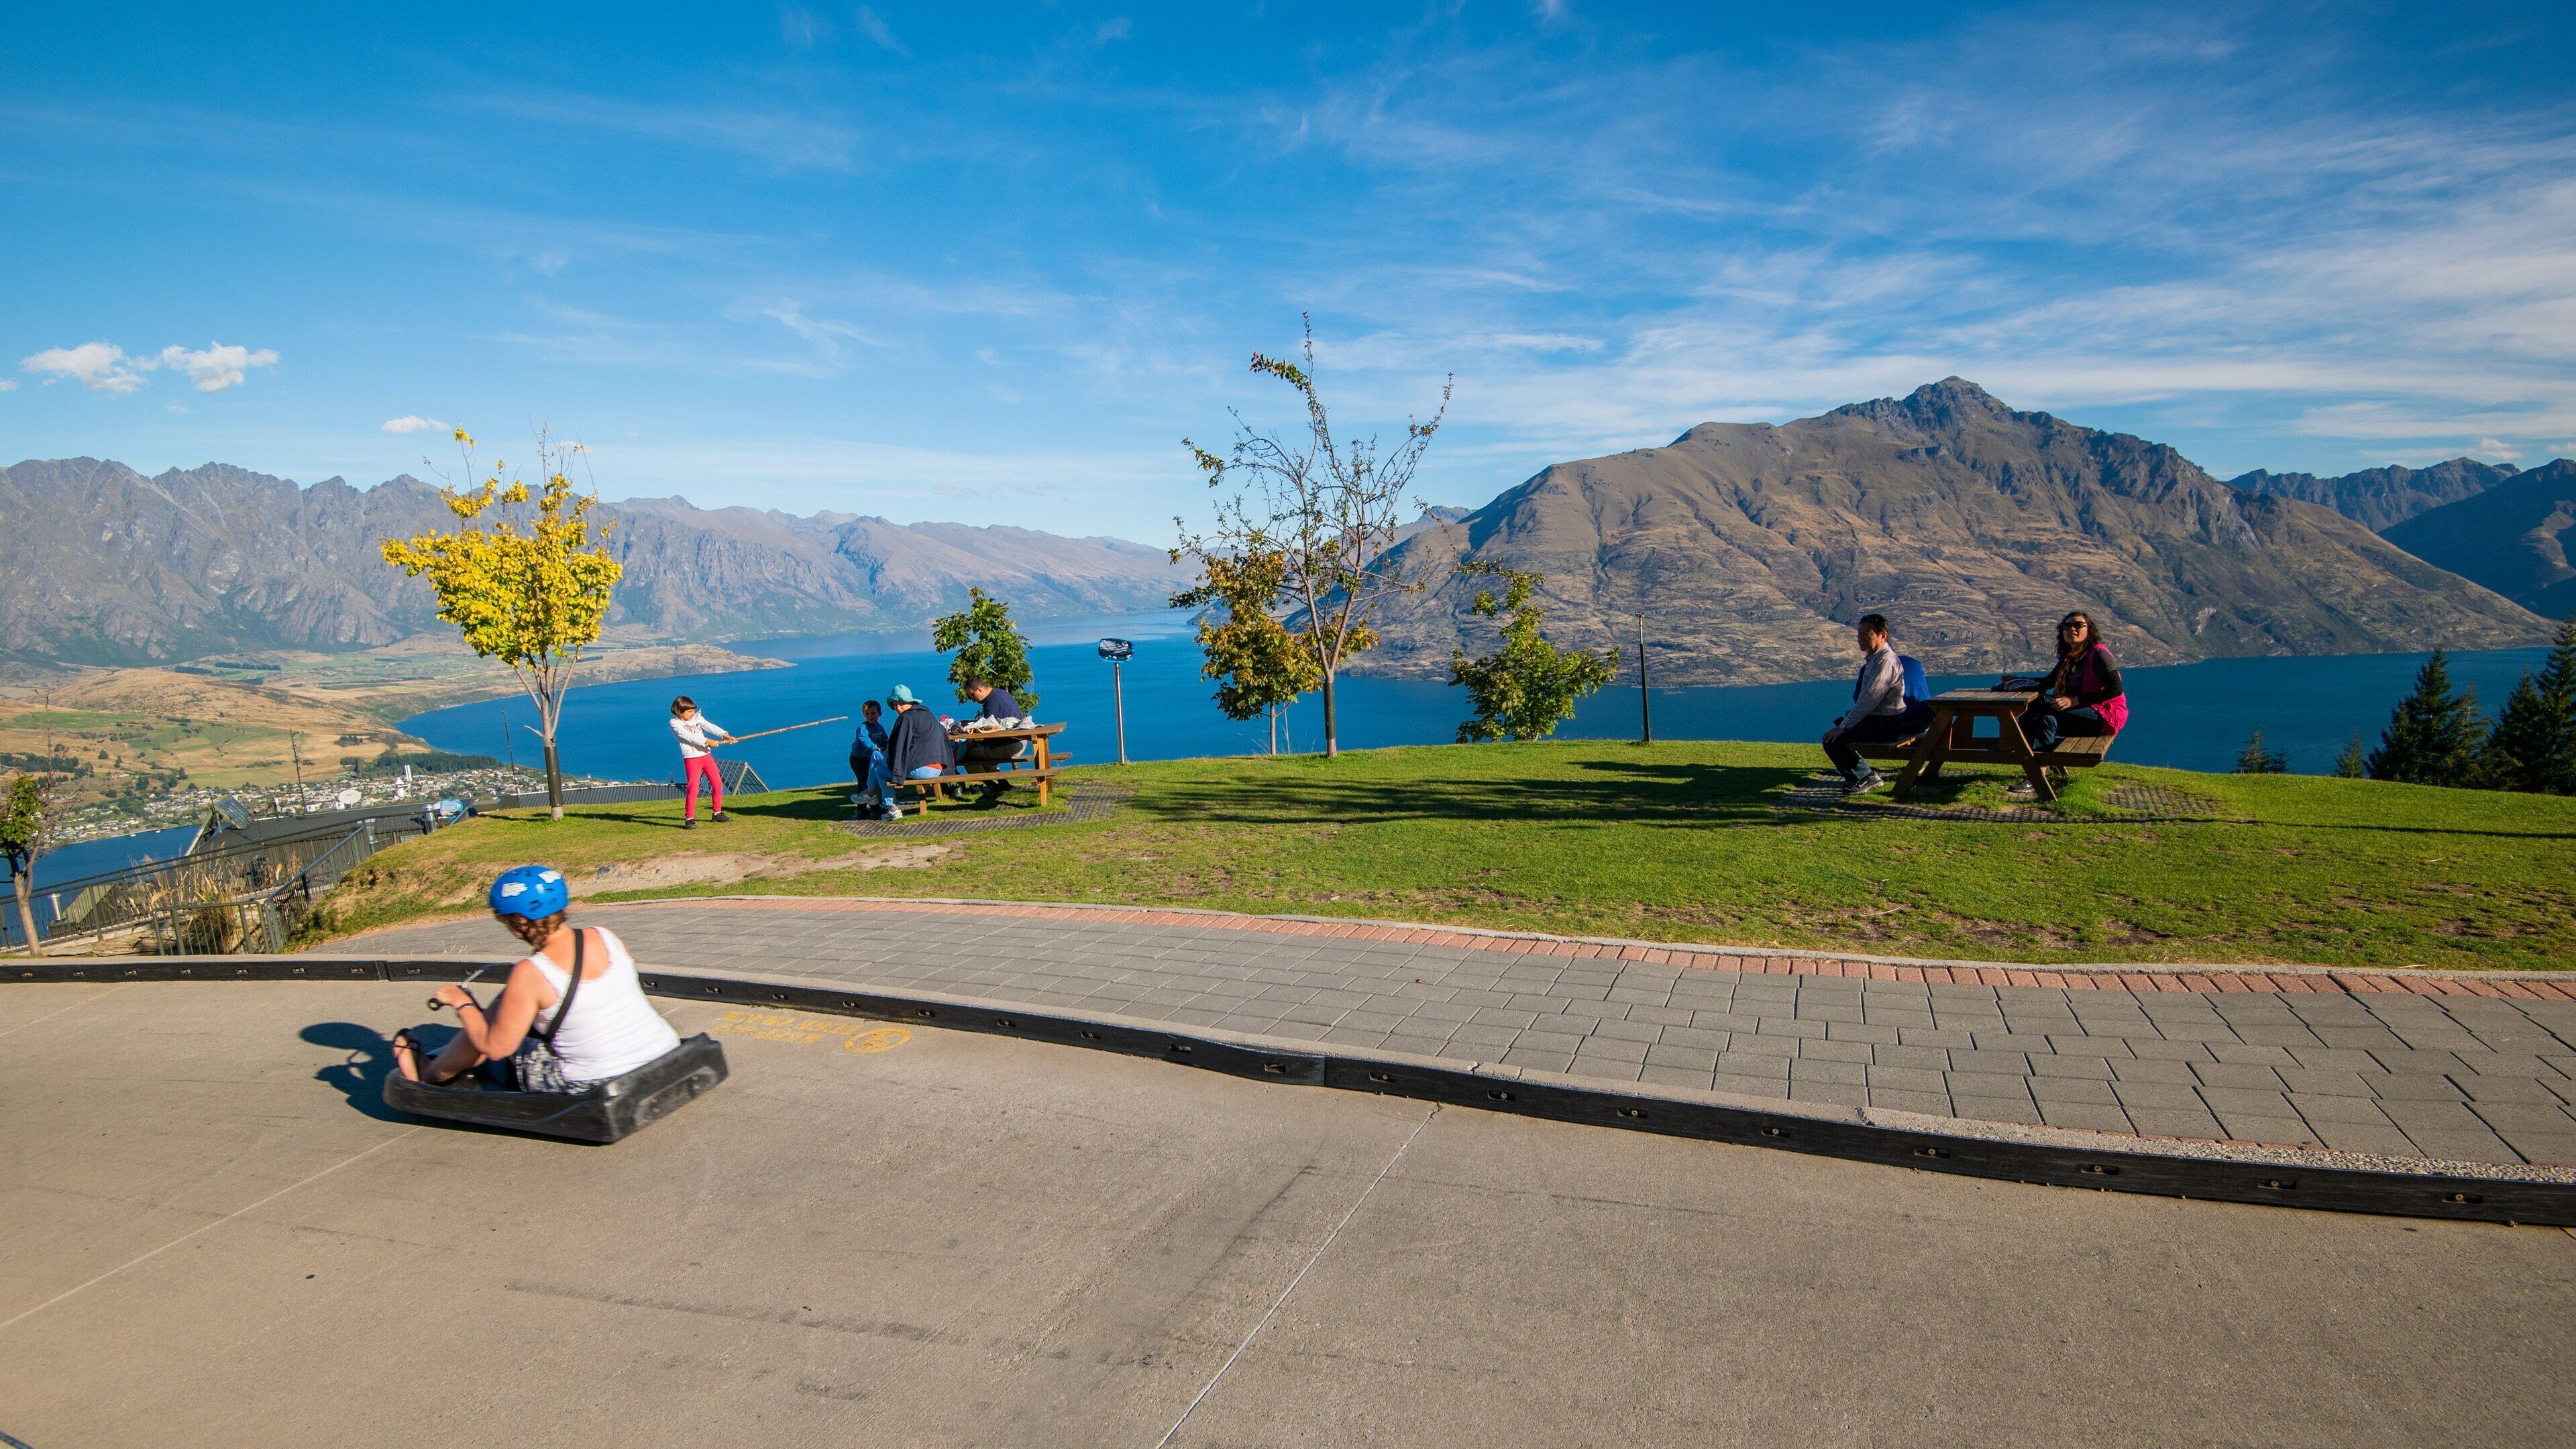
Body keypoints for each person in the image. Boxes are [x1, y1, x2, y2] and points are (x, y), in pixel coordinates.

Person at [388, 865, 682, 1092]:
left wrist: (462, 1003)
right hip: (660, 1049)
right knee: (513, 1005)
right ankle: (445, 1065)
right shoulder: (604, 936)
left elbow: (496, 1046)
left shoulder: (531, 973)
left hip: (595, 1080)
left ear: (519, 921)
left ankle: (427, 1076)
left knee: (495, 1036)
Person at [2009, 610, 2129, 796]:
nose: (2072, 629)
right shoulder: (2070, 656)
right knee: (2045, 720)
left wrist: (2074, 701)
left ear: (2089, 630)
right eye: (2067, 626)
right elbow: (2048, 682)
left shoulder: (2098, 654)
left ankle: (2020, 747)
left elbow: (2115, 689)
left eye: (2078, 625)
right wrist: (2015, 682)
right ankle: (2037, 777)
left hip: (2102, 715)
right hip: (2077, 713)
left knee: (2037, 703)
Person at [1821, 614, 1927, 794]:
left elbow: (1869, 699)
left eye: (1866, 634)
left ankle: (1866, 777)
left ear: (1882, 636)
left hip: (1887, 723)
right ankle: (1859, 775)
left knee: (1834, 740)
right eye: (1859, 634)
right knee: (1835, 734)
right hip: (1879, 720)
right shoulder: (1875, 659)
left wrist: (1846, 726)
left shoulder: (1884, 662)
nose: (1860, 639)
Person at [874, 685, 955, 820]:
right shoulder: (927, 714)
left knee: (876, 759)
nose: (898, 708)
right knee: (877, 769)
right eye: (895, 704)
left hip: (922, 769)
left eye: (901, 703)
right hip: (938, 768)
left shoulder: (906, 718)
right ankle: (878, 799)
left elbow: (898, 746)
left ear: (910, 702)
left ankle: (879, 800)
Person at [953, 676, 1031, 795]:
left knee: (967, 755)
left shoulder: (992, 702)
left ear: (980, 689)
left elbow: (990, 730)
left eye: (972, 695)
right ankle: (1002, 784)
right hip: (1019, 741)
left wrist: (974, 740)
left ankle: (992, 785)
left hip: (1010, 745)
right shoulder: (999, 694)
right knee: (981, 753)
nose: (972, 699)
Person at [669, 696, 737, 829]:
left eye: (693, 711)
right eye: (689, 712)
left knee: (717, 784)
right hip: (692, 758)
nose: (692, 714)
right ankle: (689, 819)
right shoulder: (675, 724)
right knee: (693, 788)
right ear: (679, 711)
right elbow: (689, 737)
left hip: (706, 756)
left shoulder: (697, 719)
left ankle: (717, 813)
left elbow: (710, 727)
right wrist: (707, 741)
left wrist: (725, 735)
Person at [848, 699, 892, 808]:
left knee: (867, 782)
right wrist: (875, 748)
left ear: (879, 714)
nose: (870, 716)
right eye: (867, 714)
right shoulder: (863, 728)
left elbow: (885, 740)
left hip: (869, 760)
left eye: (873, 713)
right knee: (865, 784)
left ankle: (864, 809)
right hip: (858, 760)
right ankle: (872, 808)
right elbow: (864, 740)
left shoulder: (880, 727)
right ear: (863, 715)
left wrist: (888, 747)